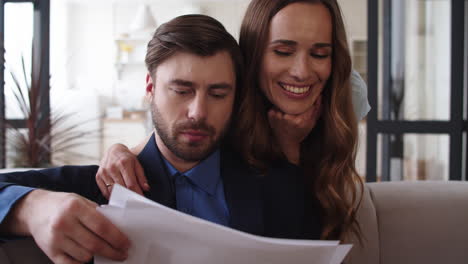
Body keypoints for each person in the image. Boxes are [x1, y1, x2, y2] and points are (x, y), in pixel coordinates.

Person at [0, 15, 314, 264]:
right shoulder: (99, 186)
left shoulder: (277, 184)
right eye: (181, 90)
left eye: (218, 94)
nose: (198, 112)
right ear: (150, 87)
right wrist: (30, 208)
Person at [97, 0, 367, 242]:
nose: (301, 72)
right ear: (253, 56)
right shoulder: (224, 93)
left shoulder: (346, 91)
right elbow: (169, 139)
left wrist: (290, 150)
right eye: (283, 51)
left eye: (320, 54)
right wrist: (118, 151)